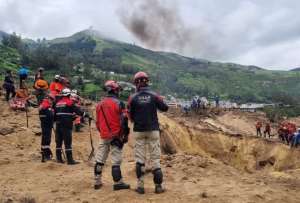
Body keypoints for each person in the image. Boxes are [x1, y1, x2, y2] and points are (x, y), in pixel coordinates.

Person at [128, 71, 169, 194]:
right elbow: (165, 108)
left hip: (139, 131)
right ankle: (158, 187)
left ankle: (140, 187)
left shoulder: (132, 97)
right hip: (153, 130)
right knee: (155, 159)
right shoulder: (154, 95)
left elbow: (129, 115)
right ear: (147, 81)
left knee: (140, 159)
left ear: (136, 83)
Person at [94, 80, 130, 191]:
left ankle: (97, 181)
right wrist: (124, 134)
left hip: (104, 135)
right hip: (116, 135)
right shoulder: (119, 103)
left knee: (100, 158)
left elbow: (98, 122)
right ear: (115, 90)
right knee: (116, 160)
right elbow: (124, 119)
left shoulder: (99, 104)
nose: (119, 92)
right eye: (118, 90)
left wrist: (102, 132)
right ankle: (118, 183)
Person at [54, 88, 89, 165]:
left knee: (58, 142)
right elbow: (78, 111)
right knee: (67, 142)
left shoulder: (57, 103)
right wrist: (85, 115)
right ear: (69, 95)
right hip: (66, 125)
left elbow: (56, 115)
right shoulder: (70, 102)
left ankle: (59, 159)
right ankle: (70, 160)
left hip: (58, 124)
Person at [39, 94, 55, 162]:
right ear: (49, 99)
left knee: (44, 139)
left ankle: (44, 152)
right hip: (47, 125)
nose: (52, 102)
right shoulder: (47, 106)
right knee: (47, 139)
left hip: (44, 124)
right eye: (52, 100)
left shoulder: (42, 105)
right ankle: (46, 154)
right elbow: (51, 115)